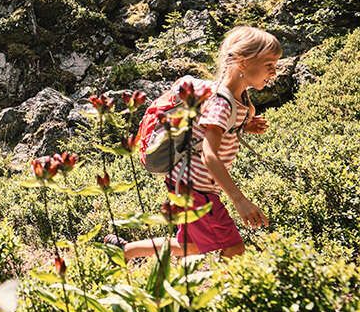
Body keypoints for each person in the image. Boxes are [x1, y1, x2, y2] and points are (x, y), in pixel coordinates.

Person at [111, 26, 281, 259]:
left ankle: (124, 251)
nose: (274, 72)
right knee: (233, 247)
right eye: (269, 65)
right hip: (195, 187)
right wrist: (239, 200)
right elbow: (209, 155)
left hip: (190, 183)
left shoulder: (239, 98)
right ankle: (229, 294)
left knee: (191, 245)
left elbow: (213, 127)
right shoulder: (223, 103)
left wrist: (244, 126)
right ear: (242, 62)